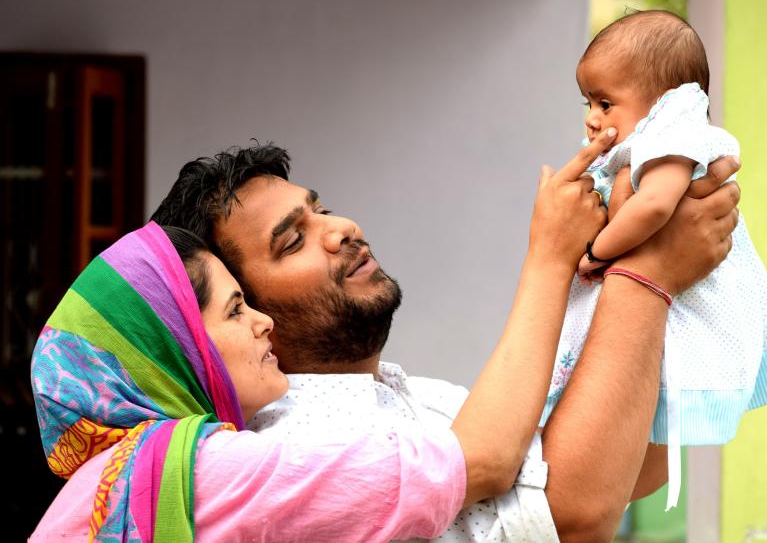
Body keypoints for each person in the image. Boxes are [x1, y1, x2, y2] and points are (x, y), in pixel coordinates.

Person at [151, 132, 740, 541]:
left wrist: (666, 269)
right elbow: (570, 517)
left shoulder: (415, 395)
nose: (340, 229)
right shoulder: (296, 445)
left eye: (320, 209)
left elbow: (629, 470)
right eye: (293, 241)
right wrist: (634, 274)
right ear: (246, 311)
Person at [29, 160, 607, 543]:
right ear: (181, 354)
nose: (262, 325)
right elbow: (522, 481)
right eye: (235, 309)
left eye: (320, 209)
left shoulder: (139, 477)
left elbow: (611, 468)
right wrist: (556, 257)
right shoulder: (225, 468)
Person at [542, 10, 767, 510]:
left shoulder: (674, 138)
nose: (592, 117)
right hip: (651, 284)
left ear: (665, 102)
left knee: (638, 402)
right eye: (588, 102)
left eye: (605, 102)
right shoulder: (642, 144)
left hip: (685, 297)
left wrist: (598, 252)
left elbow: (655, 205)